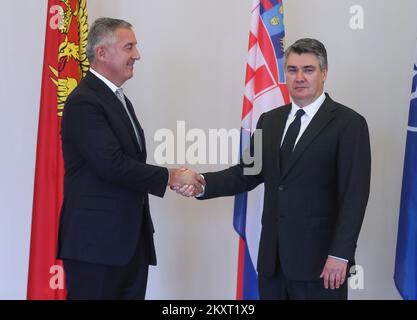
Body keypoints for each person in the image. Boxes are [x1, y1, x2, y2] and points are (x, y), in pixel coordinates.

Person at [176, 38, 371, 300]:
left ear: (324, 73)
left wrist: (340, 254)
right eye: (292, 70)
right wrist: (201, 183)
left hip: (322, 264)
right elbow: (246, 172)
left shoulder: (349, 124)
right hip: (272, 262)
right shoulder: (270, 120)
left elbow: (354, 197)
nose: (299, 77)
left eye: (308, 70)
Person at [57, 17, 205, 300]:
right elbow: (112, 165)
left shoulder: (118, 99)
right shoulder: (84, 101)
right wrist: (172, 176)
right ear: (101, 53)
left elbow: (128, 163)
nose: (137, 55)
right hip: (96, 248)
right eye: (129, 47)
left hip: (129, 245)